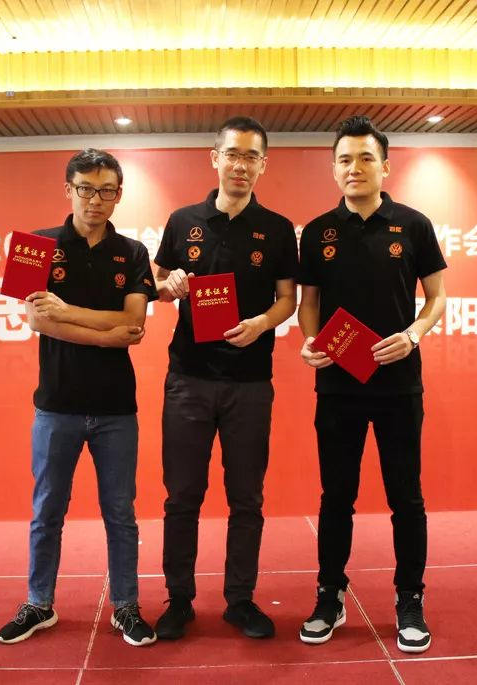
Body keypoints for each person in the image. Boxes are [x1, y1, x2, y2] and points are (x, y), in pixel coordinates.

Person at [0, 148, 158, 648]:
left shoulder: (133, 252)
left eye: (106, 190)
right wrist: (107, 335)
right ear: (69, 189)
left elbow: (135, 322)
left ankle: (126, 606)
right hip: (56, 405)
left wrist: (67, 312)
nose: (95, 199)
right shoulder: (37, 245)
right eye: (85, 188)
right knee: (47, 510)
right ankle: (38, 603)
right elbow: (36, 320)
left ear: (118, 195)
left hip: (116, 409)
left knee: (121, 514)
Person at [296, 115, 447, 653]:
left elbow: (437, 299)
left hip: (398, 385)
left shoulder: (414, 225)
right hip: (338, 386)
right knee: (336, 496)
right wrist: (309, 342)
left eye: (365, 158)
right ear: (333, 168)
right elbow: (309, 303)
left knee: (406, 497)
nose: (354, 168)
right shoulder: (318, 232)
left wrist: (412, 335)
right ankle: (329, 595)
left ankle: (410, 598)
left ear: (385, 166)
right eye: (344, 159)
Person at [151, 117, 298, 640]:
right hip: (188, 379)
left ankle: (240, 600)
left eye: (251, 156)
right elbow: (157, 278)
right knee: (181, 497)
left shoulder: (277, 229)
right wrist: (167, 283)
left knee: (246, 498)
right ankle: (179, 600)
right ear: (214, 158)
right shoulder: (183, 220)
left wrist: (261, 323)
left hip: (250, 382)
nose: (241, 165)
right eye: (232, 154)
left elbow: (288, 299)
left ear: (263, 164)